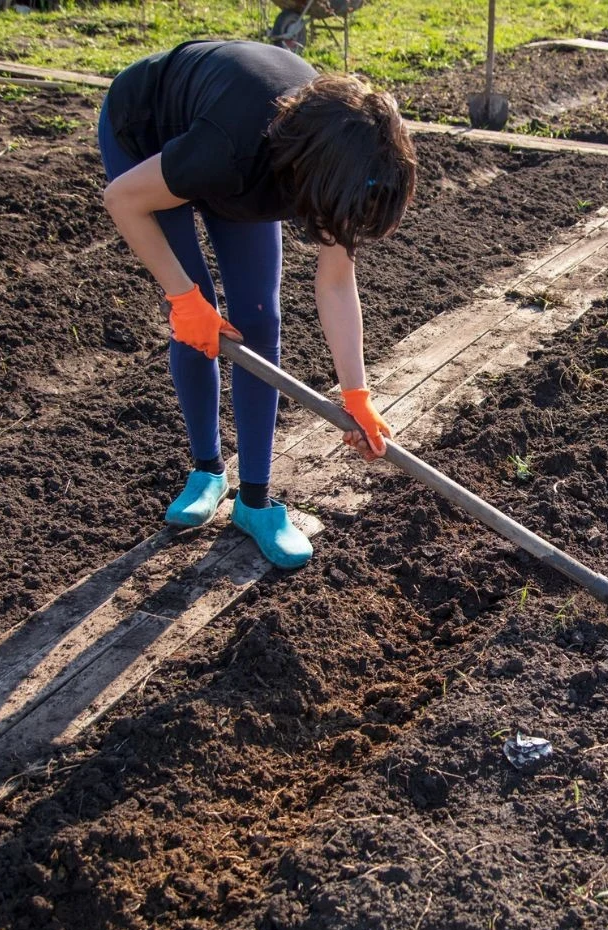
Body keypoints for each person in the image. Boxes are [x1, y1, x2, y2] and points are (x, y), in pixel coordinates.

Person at [98, 39, 417, 568]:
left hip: (232, 144)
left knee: (258, 320)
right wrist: (183, 298)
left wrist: (357, 393)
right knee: (196, 319)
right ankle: (206, 470)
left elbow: (336, 282)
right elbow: (122, 199)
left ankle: (255, 500)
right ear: (313, 181)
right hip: (150, 137)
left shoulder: (350, 159)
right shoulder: (233, 151)